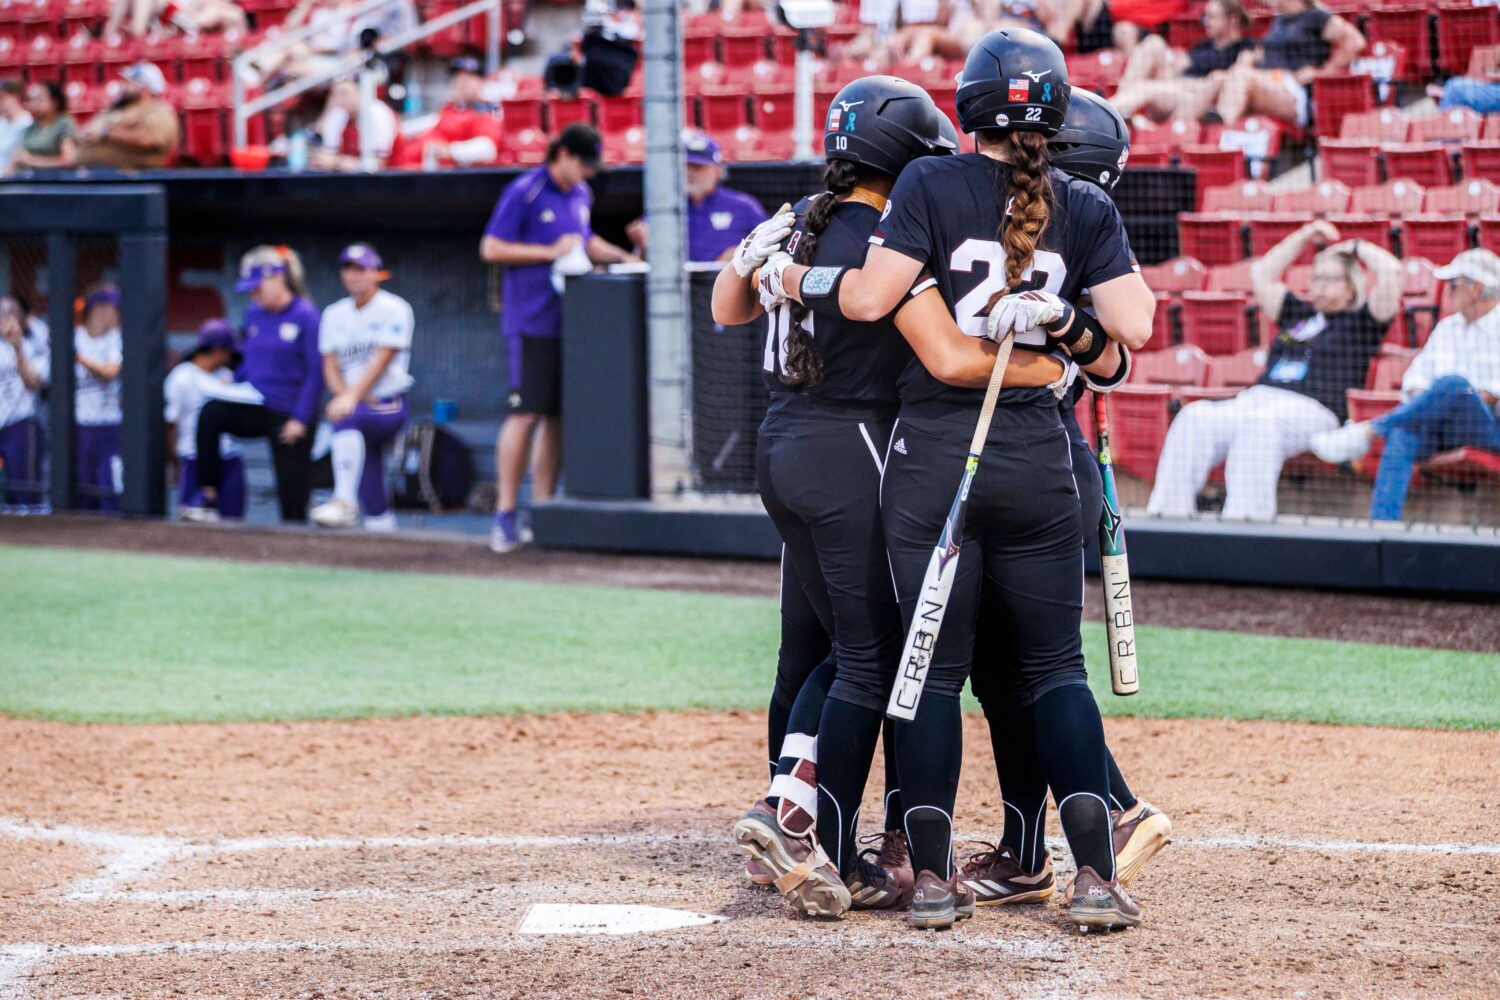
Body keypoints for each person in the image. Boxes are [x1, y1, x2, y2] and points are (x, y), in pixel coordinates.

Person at [759, 27, 1156, 932]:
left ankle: (930, 880)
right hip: (1039, 462)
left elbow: (864, 299)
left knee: (929, 673)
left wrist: (793, 273)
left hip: (936, 459)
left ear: (967, 107)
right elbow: (1131, 330)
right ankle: (1092, 875)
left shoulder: (931, 185)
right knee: (1056, 668)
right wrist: (1065, 325)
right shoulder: (1085, 203)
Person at [1148, 221, 1400, 520]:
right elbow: (1262, 274)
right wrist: (1304, 236)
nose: (1318, 285)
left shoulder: (1363, 322)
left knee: (1259, 427)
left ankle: (1244, 527)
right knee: (1194, 417)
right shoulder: (1300, 314)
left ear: (1352, 286)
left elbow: (1392, 273)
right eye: (1316, 277)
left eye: (1329, 279)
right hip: (1259, 398)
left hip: (1314, 409)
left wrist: (1357, 247)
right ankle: (1168, 518)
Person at [479, 122, 639, 553]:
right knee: (526, 413)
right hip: (531, 321)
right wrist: (548, 252)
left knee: (557, 417)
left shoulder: (580, 194)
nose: (588, 174)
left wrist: (627, 257)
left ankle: (544, 512)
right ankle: (506, 514)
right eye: (584, 164)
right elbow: (491, 248)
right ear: (563, 154)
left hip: (575, 321)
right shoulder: (525, 191)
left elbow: (583, 242)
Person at [1311, 249, 1500, 522]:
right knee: (1403, 433)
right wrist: (1433, 402)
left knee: (1454, 384)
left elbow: (1489, 396)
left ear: (1477, 288)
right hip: (1440, 426)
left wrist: (1444, 397)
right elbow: (1415, 382)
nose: (1447, 292)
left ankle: (1370, 430)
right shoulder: (1448, 327)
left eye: (1453, 285)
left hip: (1488, 427)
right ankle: (1382, 528)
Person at [189, 246, 324, 523]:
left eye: (257, 287)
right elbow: (251, 359)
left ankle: (296, 544)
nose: (253, 294)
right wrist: (234, 380)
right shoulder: (253, 314)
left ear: (277, 279)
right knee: (211, 413)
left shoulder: (306, 315)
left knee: (292, 497)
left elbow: (316, 372)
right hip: (256, 403)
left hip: (290, 412)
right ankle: (208, 498)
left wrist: (300, 418)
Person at [309, 243, 415, 532]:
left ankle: (343, 501)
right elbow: (329, 363)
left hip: (386, 402)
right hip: (354, 402)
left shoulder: (395, 308)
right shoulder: (334, 313)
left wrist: (350, 398)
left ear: (377, 274)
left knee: (347, 418)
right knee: (369, 475)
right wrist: (345, 396)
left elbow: (382, 360)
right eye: (348, 269)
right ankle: (381, 528)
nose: (354, 276)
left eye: (361, 269)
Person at [1212, 0, 1364, 127]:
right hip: (1270, 80)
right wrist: (1251, 57)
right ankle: (1195, 139)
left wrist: (1322, 72)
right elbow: (1268, 52)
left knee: (1241, 76)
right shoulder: (1280, 20)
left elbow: (1355, 41)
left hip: (1294, 90)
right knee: (1217, 78)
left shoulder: (1315, 16)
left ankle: (1219, 131)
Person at [625, 130, 766, 263]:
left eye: (698, 167)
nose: (689, 173)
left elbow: (770, 246)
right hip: (678, 286)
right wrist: (645, 246)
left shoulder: (744, 206)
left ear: (718, 170)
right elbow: (637, 262)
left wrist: (742, 253)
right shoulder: (663, 208)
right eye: (685, 166)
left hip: (729, 284)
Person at [1110, 0, 1255, 123]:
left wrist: (1195, 83)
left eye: (1212, 17)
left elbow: (1235, 78)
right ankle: (1120, 105)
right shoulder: (1203, 45)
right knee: (1154, 42)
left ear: (1233, 19)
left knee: (1145, 88)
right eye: (1205, 17)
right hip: (1175, 88)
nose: (1206, 22)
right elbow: (1177, 68)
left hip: (1197, 98)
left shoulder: (1245, 47)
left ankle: (1108, 112)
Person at [165, 319, 246, 520]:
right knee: (194, 522)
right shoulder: (181, 376)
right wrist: (174, 462)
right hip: (193, 458)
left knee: (233, 523)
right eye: (227, 351)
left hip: (230, 458)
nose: (229, 357)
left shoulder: (228, 375)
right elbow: (170, 425)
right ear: (218, 350)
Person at [390, 55, 503, 169]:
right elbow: (431, 123)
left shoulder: (484, 113)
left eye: (467, 78)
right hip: (403, 163)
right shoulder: (453, 108)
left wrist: (449, 151)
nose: (461, 83)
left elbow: (488, 149)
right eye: (458, 78)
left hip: (422, 173)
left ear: (481, 81)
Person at [74, 286, 125, 512]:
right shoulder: (75, 337)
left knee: (109, 489)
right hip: (80, 426)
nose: (117, 314)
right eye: (114, 308)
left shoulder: (117, 339)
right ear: (99, 308)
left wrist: (76, 357)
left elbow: (109, 373)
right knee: (83, 491)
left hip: (110, 426)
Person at [75, 62, 181, 170]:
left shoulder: (159, 111)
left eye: (130, 82)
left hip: (130, 177)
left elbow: (150, 140)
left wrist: (105, 133)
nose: (123, 85)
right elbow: (90, 128)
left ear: (146, 87)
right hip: (90, 173)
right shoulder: (119, 108)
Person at [0, 297, 49, 513]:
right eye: (1, 312)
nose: (6, 317)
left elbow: (33, 383)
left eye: (11, 311)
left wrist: (17, 346)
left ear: (22, 316)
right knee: (7, 501)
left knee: (26, 494)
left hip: (20, 424)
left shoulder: (34, 344)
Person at [311, 78, 400, 172]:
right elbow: (328, 155)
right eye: (334, 95)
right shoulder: (338, 115)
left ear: (360, 93)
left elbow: (377, 165)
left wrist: (337, 162)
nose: (339, 100)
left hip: (394, 177)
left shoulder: (378, 113)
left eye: (344, 94)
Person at [11, 82, 77, 172]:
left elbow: (68, 160)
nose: (34, 104)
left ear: (54, 102)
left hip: (54, 180)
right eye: (32, 100)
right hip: (28, 178)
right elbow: (18, 157)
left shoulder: (64, 123)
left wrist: (33, 161)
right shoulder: (30, 128)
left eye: (39, 99)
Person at [104, 0, 247, 38]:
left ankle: (137, 33)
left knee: (217, 10)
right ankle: (110, 35)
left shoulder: (228, 11)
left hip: (189, 22)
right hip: (173, 18)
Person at [0, 81, 31, 174]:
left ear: (15, 97)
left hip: (11, 177)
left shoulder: (26, 122)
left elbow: (20, 157)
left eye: (2, 98)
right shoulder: (2, 121)